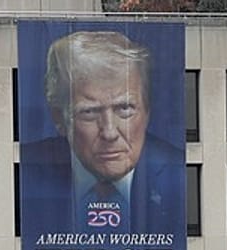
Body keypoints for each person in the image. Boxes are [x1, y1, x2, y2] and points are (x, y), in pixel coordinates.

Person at [21, 29, 186, 236]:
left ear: (147, 112)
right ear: (59, 118)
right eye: (89, 112)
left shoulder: (181, 174)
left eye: (124, 109)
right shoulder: (24, 172)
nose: (109, 133)